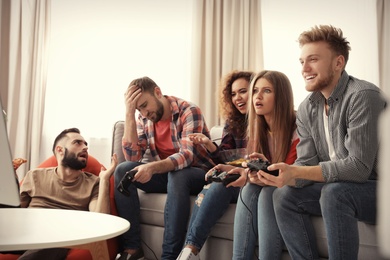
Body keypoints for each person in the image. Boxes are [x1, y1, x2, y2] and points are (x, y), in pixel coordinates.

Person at [259, 25, 387, 259]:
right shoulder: (308, 107)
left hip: (379, 189)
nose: (304, 69)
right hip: (342, 188)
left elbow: (358, 169)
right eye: (301, 62)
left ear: (338, 63)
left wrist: (297, 171)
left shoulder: (363, 96)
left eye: (313, 60)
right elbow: (306, 162)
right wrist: (281, 176)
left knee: (335, 193)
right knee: (282, 196)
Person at [114, 76, 215, 260]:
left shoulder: (189, 111)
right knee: (123, 171)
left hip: (198, 173)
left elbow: (186, 157)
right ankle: (133, 249)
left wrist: (152, 167)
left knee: (179, 175)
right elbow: (133, 156)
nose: (144, 113)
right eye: (138, 109)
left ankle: (170, 256)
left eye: (145, 105)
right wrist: (129, 114)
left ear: (158, 92)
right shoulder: (142, 119)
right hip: (169, 175)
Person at [176, 70, 253, 260]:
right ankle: (189, 251)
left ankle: (189, 251)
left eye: (243, 91)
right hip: (235, 176)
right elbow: (224, 161)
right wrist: (209, 144)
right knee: (213, 182)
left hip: (252, 180)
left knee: (219, 183)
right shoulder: (233, 123)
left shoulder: (267, 119)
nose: (237, 98)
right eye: (233, 94)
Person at [229, 70, 299, 260]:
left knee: (267, 192)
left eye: (267, 91)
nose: (257, 97)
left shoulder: (298, 128)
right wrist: (248, 174)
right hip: (273, 184)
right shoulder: (258, 128)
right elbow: (260, 167)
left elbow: (291, 172)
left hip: (297, 186)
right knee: (249, 189)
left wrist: (263, 176)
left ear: (281, 97)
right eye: (255, 91)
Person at [18, 128, 118, 260]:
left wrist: (105, 180)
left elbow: (100, 222)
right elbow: (16, 213)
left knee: (55, 241)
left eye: (86, 144)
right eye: (77, 143)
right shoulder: (34, 176)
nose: (85, 148)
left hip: (61, 236)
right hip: (28, 233)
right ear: (60, 150)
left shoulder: (93, 183)